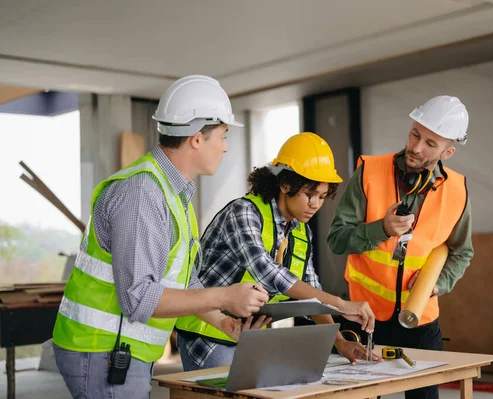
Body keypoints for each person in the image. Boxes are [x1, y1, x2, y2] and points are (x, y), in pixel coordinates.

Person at [51, 75, 270, 399]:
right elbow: (139, 298)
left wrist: (222, 323)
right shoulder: (143, 194)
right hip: (101, 350)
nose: (226, 146)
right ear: (197, 138)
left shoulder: (173, 193)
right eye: (223, 136)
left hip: (119, 350)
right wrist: (225, 297)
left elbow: (183, 285)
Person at [175, 132, 380, 370]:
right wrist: (340, 304)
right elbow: (267, 272)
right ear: (285, 184)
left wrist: (340, 342)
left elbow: (312, 293)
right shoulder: (244, 212)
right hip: (207, 334)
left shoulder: (302, 232)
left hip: (248, 336)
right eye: (309, 194)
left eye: (322, 197)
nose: (315, 205)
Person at [327, 96, 474, 399]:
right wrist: (380, 229)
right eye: (415, 134)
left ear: (448, 151)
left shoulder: (457, 191)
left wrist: (438, 283)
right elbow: (337, 239)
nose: (416, 147)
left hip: (419, 320)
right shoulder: (369, 172)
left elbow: (461, 252)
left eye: (431, 144)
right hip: (364, 318)